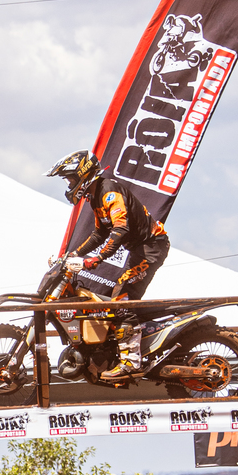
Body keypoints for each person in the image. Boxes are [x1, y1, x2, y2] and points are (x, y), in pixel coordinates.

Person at [47, 150, 170, 380]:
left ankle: (131, 362)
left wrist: (96, 259)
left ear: (83, 174)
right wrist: (72, 254)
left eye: (71, 179)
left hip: (152, 247)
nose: (70, 185)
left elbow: (120, 229)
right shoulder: (96, 196)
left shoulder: (109, 192)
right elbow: (99, 233)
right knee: (115, 299)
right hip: (139, 248)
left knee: (122, 298)